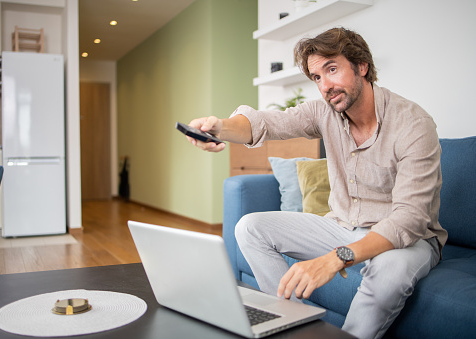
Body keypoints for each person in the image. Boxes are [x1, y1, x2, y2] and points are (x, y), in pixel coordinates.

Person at [185, 27, 446, 339]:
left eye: (332, 69)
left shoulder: (413, 124)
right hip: (343, 225)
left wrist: (335, 259)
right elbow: (268, 122)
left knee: (390, 271)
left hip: (409, 239)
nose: (325, 86)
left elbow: (410, 219)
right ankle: (296, 329)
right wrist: (219, 128)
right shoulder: (325, 113)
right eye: (317, 77)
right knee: (249, 227)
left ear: (361, 66)